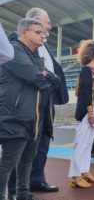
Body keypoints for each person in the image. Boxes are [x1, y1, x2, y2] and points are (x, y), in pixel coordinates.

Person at [8, 8, 68, 197]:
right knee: (19, 149)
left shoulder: (43, 44)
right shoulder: (17, 41)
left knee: (42, 141)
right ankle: (14, 189)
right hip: (28, 99)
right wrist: (46, 77)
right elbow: (33, 73)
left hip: (46, 97)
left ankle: (36, 179)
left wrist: (50, 79)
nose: (49, 26)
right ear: (32, 22)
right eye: (46, 22)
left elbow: (50, 73)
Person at [0, 18, 57, 200]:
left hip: (35, 119)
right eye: (38, 32)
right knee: (8, 163)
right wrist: (45, 76)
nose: (43, 36)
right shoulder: (14, 49)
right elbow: (35, 77)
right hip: (15, 117)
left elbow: (54, 80)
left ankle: (23, 194)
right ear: (24, 32)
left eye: (44, 33)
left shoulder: (34, 55)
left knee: (27, 161)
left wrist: (45, 75)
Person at [68, 40, 94, 188]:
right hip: (86, 113)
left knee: (88, 144)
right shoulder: (86, 70)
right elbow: (84, 93)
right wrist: (90, 112)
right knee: (81, 144)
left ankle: (84, 171)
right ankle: (75, 176)